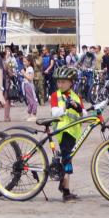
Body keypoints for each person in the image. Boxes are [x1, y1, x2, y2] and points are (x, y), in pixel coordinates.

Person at [48, 65, 83, 202]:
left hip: (74, 132)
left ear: (71, 82)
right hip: (63, 131)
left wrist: (79, 108)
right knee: (67, 159)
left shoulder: (76, 96)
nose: (60, 84)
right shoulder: (55, 95)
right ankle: (66, 192)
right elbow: (54, 112)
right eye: (58, 81)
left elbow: (83, 113)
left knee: (67, 157)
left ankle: (63, 186)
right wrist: (65, 106)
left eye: (63, 81)